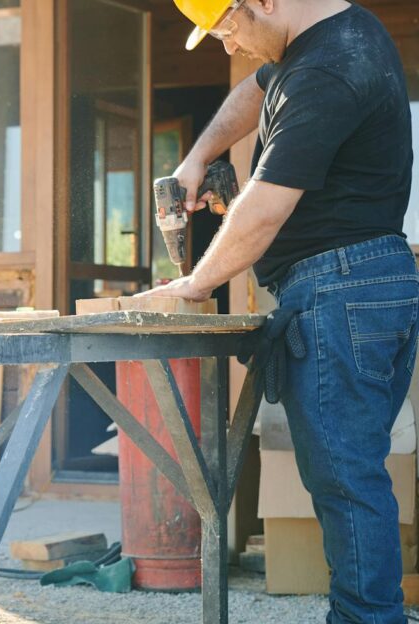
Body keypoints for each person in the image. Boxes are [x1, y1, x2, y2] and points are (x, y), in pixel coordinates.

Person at [152, 1, 415, 621]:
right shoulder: (329, 42)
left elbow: (264, 209)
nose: (229, 47)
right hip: (364, 282)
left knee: (346, 481)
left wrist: (192, 286)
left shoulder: (327, 67)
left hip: (341, 287)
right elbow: (253, 90)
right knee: (351, 473)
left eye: (228, 29)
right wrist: (197, 158)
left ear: (263, 1)